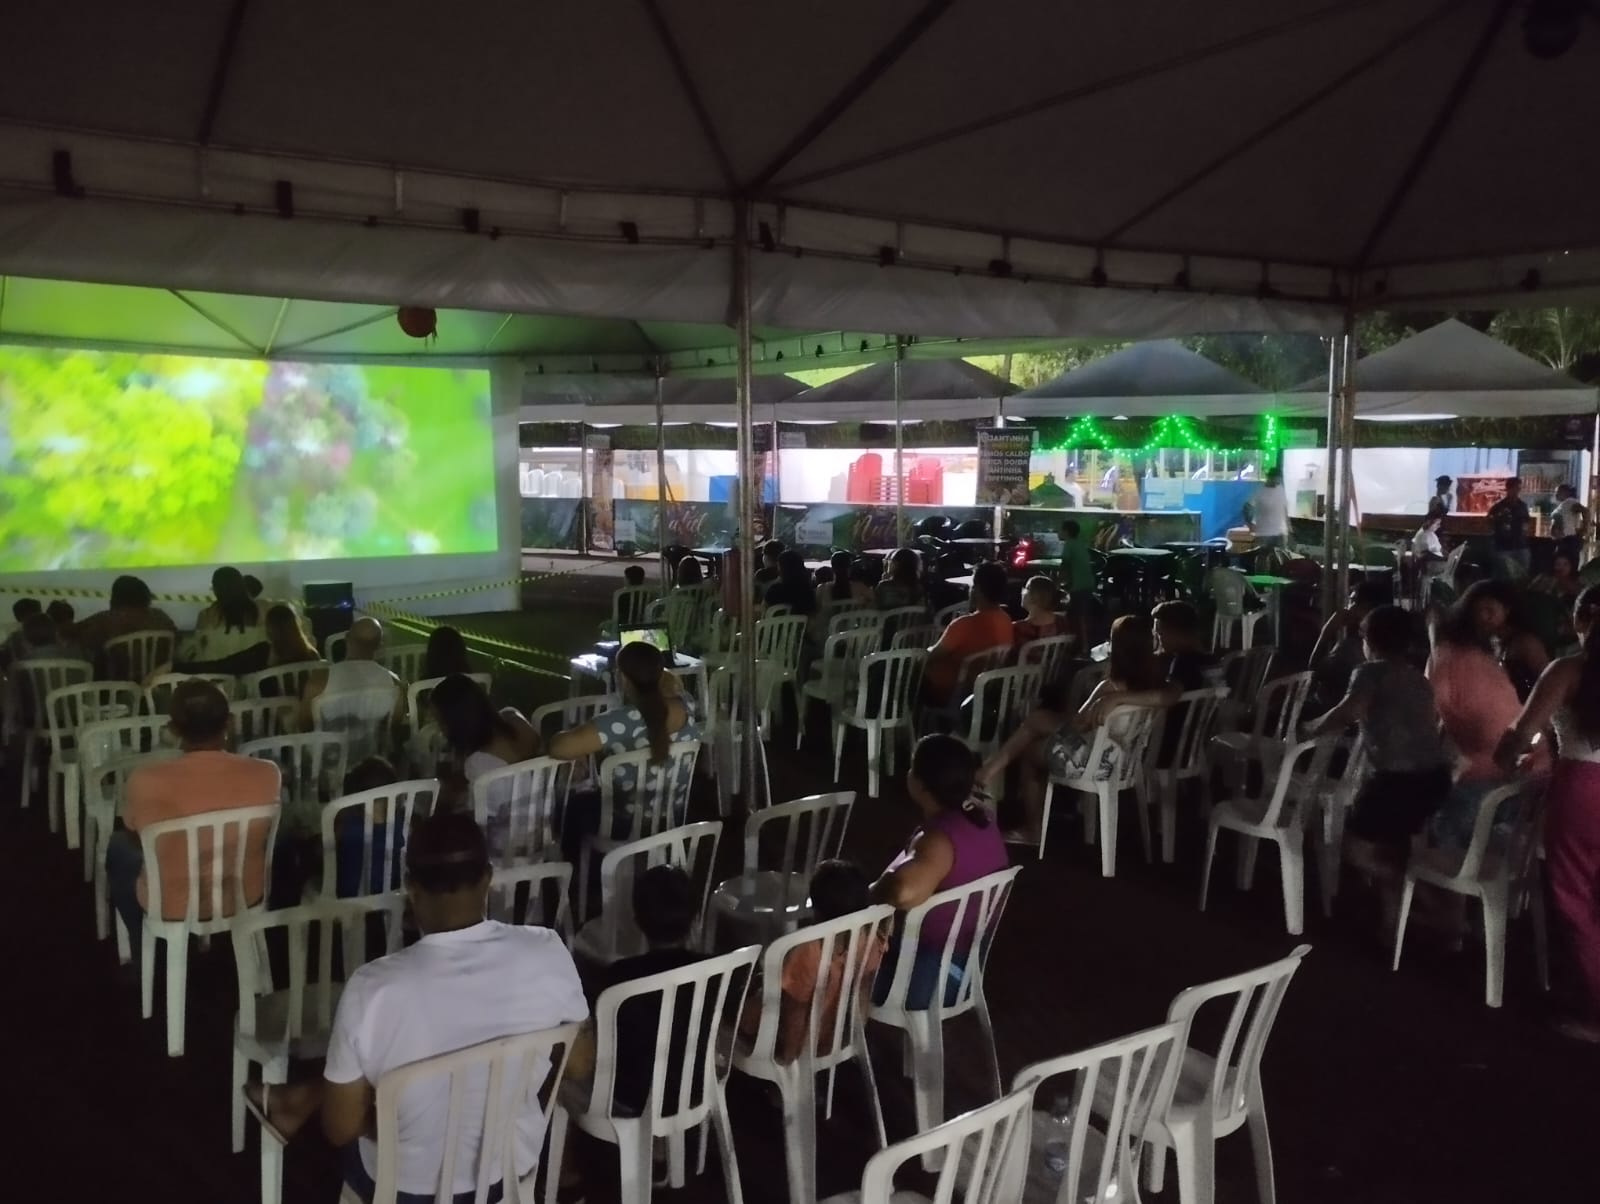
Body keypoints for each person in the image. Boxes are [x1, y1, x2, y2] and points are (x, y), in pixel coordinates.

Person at [247, 812, 588, 1204]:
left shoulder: (372, 988)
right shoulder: (546, 950)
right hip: (506, 1168)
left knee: (370, 1085)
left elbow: (340, 1129)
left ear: (410, 888)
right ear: (488, 878)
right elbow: (577, 1065)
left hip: (407, 1185)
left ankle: (298, 1099)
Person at [106, 681, 281, 966]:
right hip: (243, 895)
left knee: (119, 848)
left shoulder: (145, 779)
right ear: (230, 723)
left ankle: (143, 954)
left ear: (173, 729)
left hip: (173, 904)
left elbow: (139, 839)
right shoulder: (267, 774)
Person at [1495, 585, 1600, 1042]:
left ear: (1583, 620)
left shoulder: (1568, 670)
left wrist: (1507, 757)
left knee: (1576, 897)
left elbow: (1521, 733)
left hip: (1583, 791)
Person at [978, 614, 1166, 842]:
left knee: (1030, 750)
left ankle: (1031, 826)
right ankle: (990, 771)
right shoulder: (1155, 684)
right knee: (1038, 721)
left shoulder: (1110, 687)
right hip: (1127, 760)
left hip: (1095, 762)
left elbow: (1077, 724)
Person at [1303, 605, 1452, 883]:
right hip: (1434, 777)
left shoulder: (1369, 672)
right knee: (1393, 846)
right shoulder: (1418, 679)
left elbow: (1349, 712)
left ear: (1367, 640)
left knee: (1353, 848)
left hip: (1396, 780)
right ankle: (1393, 916)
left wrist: (1311, 728)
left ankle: (1414, 888)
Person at [871, 735, 1008, 1009]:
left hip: (929, 977)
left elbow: (902, 891)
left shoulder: (940, 840)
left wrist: (872, 892)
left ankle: (843, 1040)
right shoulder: (982, 817)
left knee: (830, 965)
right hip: (968, 964)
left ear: (919, 783)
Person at [548, 642, 698, 853]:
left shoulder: (622, 720)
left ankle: (577, 871)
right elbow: (674, 685)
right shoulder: (687, 705)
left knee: (573, 805)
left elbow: (559, 748)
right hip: (674, 814)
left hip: (624, 822)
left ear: (623, 678)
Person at [1426, 599, 1546, 855]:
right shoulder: (1487, 661)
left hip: (1495, 778)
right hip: (1528, 778)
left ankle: (1450, 886)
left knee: (1434, 834)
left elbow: (1431, 717)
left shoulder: (1445, 660)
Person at [739, 859, 885, 1063]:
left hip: (793, 1042)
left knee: (746, 987)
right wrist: (851, 1041)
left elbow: (795, 1009)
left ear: (816, 908)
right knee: (765, 977)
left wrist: (792, 1059)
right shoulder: (871, 940)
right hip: (833, 1037)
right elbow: (863, 991)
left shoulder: (808, 951)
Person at [429, 673, 540, 834]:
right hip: (540, 834)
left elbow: (478, 821)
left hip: (501, 848)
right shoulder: (516, 722)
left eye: (440, 721)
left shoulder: (477, 762)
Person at [1434, 580, 1549, 702]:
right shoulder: (1488, 642)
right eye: (1477, 611)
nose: (1483, 616)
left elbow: (1548, 681)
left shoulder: (1526, 643)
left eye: (1489, 610)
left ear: (1507, 609)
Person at [923, 561, 1013, 706]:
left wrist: (921, 654)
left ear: (977, 590)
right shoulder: (1006, 620)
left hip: (950, 691)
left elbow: (932, 656)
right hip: (981, 689)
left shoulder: (963, 624)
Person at [300, 616, 403, 732]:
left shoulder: (319, 680)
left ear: (347, 637)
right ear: (379, 645)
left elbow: (304, 725)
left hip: (326, 749)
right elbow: (395, 725)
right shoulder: (395, 684)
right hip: (375, 750)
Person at [1308, 582, 1388, 715]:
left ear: (1365, 607)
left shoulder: (1352, 648)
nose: (1348, 608)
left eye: (1352, 601)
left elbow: (1313, 674)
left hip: (1326, 713)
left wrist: (1327, 632)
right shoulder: (1381, 646)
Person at [184, 566, 270, 672]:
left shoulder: (206, 615)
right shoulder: (265, 609)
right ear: (242, 585)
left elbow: (196, 654)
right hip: (258, 679)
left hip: (217, 679)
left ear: (216, 590)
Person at [75, 575, 177, 660]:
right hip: (157, 680)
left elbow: (78, 638)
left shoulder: (105, 619)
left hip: (116, 682)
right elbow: (176, 640)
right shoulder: (161, 616)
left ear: (115, 597)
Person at [1057, 520, 1097, 648]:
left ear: (1066, 532)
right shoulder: (1080, 544)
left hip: (1077, 586)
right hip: (1088, 583)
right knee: (1082, 617)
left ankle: (1078, 646)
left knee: (1075, 617)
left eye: (1061, 530)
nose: (1059, 532)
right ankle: (1085, 646)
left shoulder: (1069, 545)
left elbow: (1065, 565)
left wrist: (1057, 583)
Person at [1487, 476, 1531, 576]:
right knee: (1504, 575)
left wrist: (1524, 531)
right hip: (1503, 546)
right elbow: (1489, 522)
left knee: (1522, 575)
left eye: (1519, 488)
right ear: (1508, 489)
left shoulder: (1522, 505)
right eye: (1515, 488)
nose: (1518, 491)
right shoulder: (1498, 506)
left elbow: (1526, 521)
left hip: (1521, 545)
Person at [1012, 575, 1065, 647]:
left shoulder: (1018, 629)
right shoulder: (1062, 622)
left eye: (1026, 589)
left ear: (1035, 596)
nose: (1022, 592)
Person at [763, 548, 818, 616]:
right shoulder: (808, 591)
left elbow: (764, 611)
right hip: (801, 626)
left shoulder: (775, 590)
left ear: (781, 568)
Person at [1246, 466, 1290, 549]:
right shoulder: (1259, 491)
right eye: (1276, 479)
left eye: (1279, 479)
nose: (1278, 481)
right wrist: (1250, 524)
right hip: (1264, 533)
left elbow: (1284, 509)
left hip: (1281, 533)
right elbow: (1246, 507)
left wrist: (1289, 527)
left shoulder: (1281, 489)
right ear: (1270, 477)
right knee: (1263, 558)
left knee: (1282, 559)